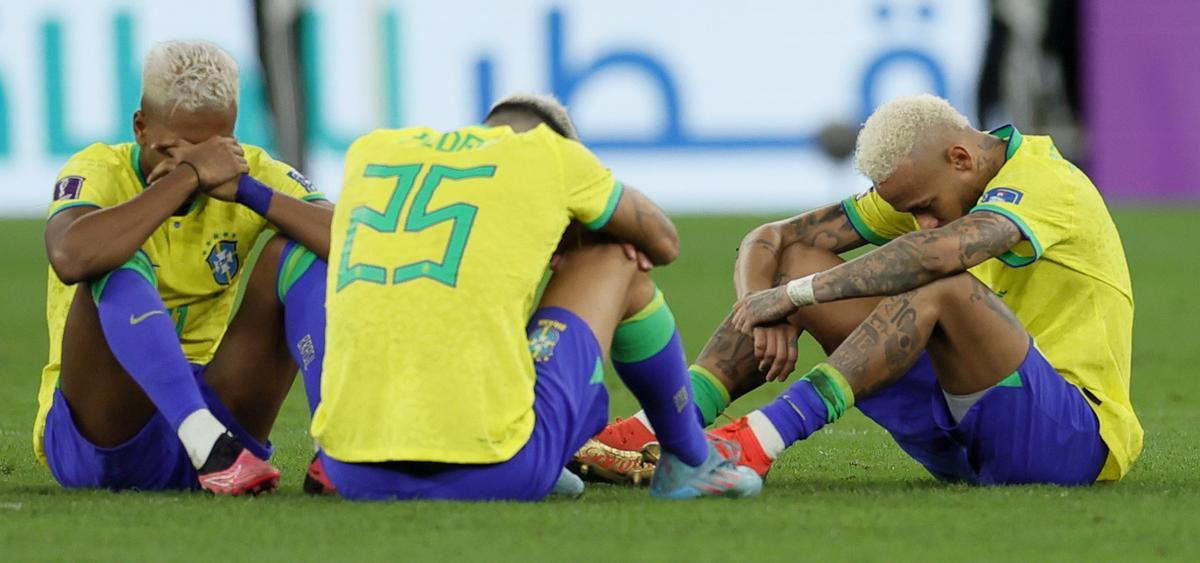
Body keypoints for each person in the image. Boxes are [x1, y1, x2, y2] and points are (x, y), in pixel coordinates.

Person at [579, 94, 1141, 486]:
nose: (921, 221)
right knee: (798, 259)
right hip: (960, 436)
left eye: (924, 207)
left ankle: (758, 441)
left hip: (1069, 441)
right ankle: (661, 425)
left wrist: (797, 297)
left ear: (963, 159)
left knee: (936, 278)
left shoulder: (1048, 182)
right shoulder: (935, 178)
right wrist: (762, 306)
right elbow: (771, 239)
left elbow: (938, 254)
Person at [298, 93, 762, 501]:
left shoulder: (373, 148)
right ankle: (688, 460)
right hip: (500, 474)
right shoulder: (551, 155)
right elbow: (664, 242)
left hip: (351, 471)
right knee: (618, 257)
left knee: (311, 262)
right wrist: (580, 226)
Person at [36, 40, 333, 495]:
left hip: (227, 429)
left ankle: (337, 444)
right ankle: (202, 440)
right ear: (140, 127)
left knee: (299, 249)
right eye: (178, 148)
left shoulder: (247, 170)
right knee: (112, 255)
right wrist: (187, 176)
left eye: (216, 147)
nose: (207, 164)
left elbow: (353, 244)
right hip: (105, 437)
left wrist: (252, 193)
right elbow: (71, 256)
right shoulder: (98, 169)